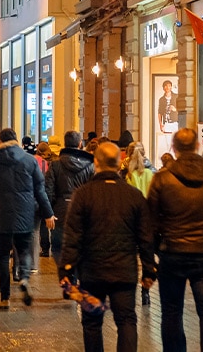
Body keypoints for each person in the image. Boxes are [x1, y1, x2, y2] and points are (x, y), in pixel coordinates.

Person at [144, 128, 203, 352]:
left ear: (174, 149)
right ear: (197, 147)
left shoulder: (162, 178)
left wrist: (154, 253)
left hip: (172, 252)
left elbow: (150, 222)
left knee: (172, 311)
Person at [60, 142, 149, 352]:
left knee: (92, 322)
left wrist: (66, 270)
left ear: (96, 162)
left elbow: (73, 236)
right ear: (119, 162)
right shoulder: (133, 195)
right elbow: (145, 237)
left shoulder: (83, 195)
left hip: (92, 273)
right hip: (124, 272)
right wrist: (148, 270)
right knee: (127, 320)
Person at [0, 128, 53, 309]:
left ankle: (5, 297)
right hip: (25, 213)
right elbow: (40, 190)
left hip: (2, 215)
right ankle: (23, 278)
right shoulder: (30, 160)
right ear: (16, 141)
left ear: (0, 140)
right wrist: (48, 213)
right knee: (24, 250)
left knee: (1, 256)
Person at [44, 131, 94, 269]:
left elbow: (48, 189)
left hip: (60, 212)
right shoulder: (90, 166)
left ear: (64, 144)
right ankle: (76, 274)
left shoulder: (55, 165)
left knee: (58, 248)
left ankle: (66, 275)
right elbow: (93, 191)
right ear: (80, 144)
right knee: (81, 246)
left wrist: (49, 212)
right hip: (82, 213)